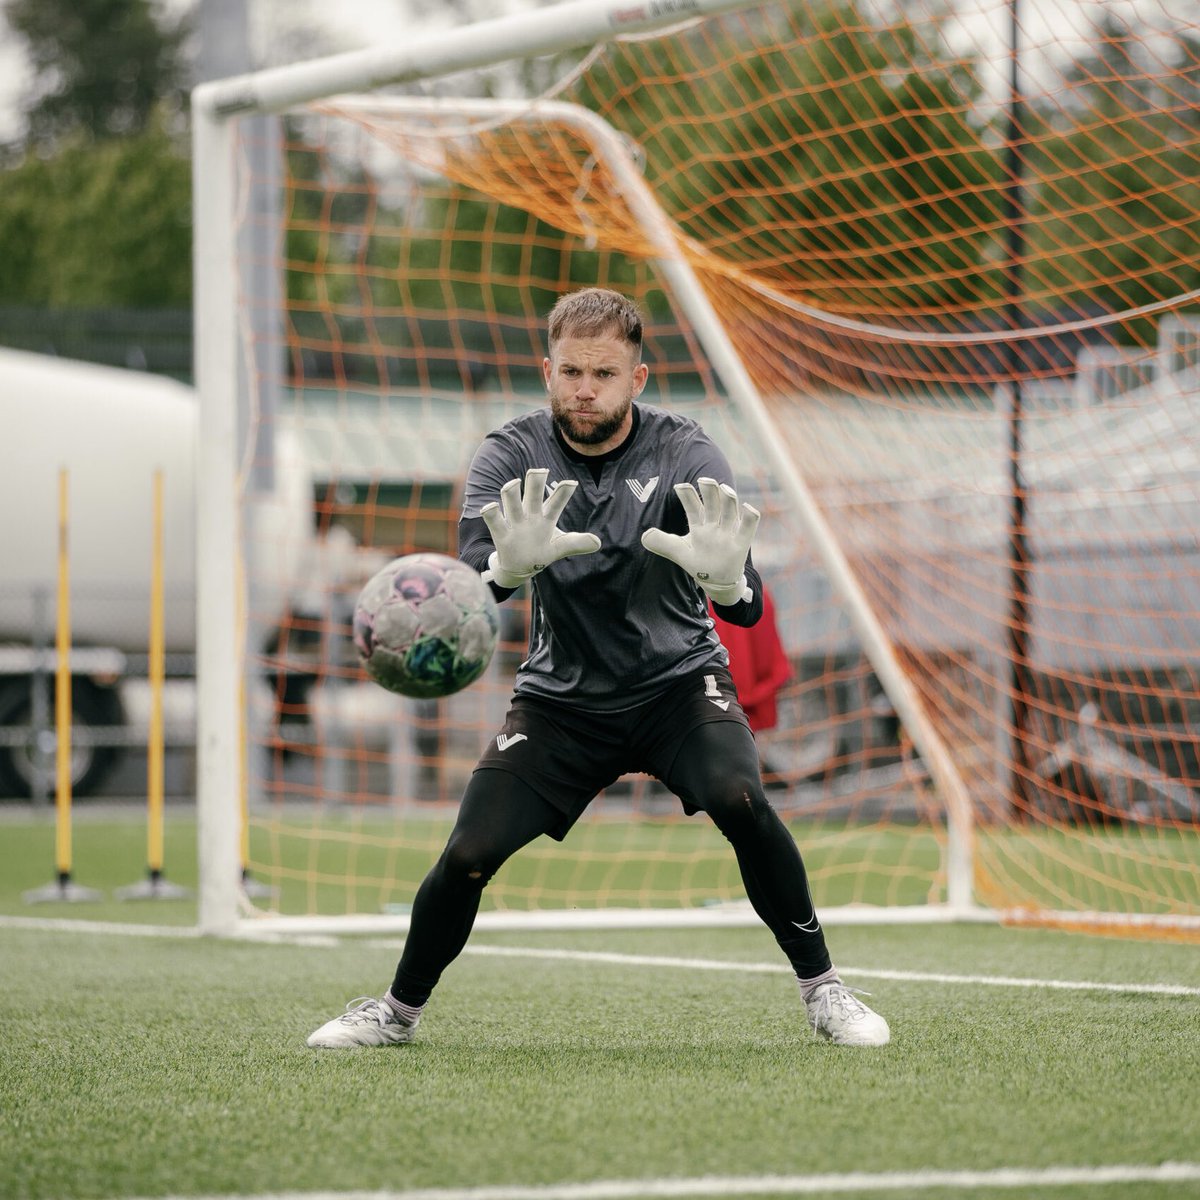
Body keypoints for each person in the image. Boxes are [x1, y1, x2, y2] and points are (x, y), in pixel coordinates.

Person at [307, 287, 889, 1049]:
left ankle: (825, 991)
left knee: (740, 797)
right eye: (572, 371)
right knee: (470, 851)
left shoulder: (687, 452)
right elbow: (468, 594)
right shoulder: (509, 455)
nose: (586, 389)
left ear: (637, 379)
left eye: (604, 374)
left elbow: (745, 609)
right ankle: (396, 1011)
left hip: (678, 685)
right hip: (560, 701)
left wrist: (727, 581)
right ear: (547, 370)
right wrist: (505, 571)